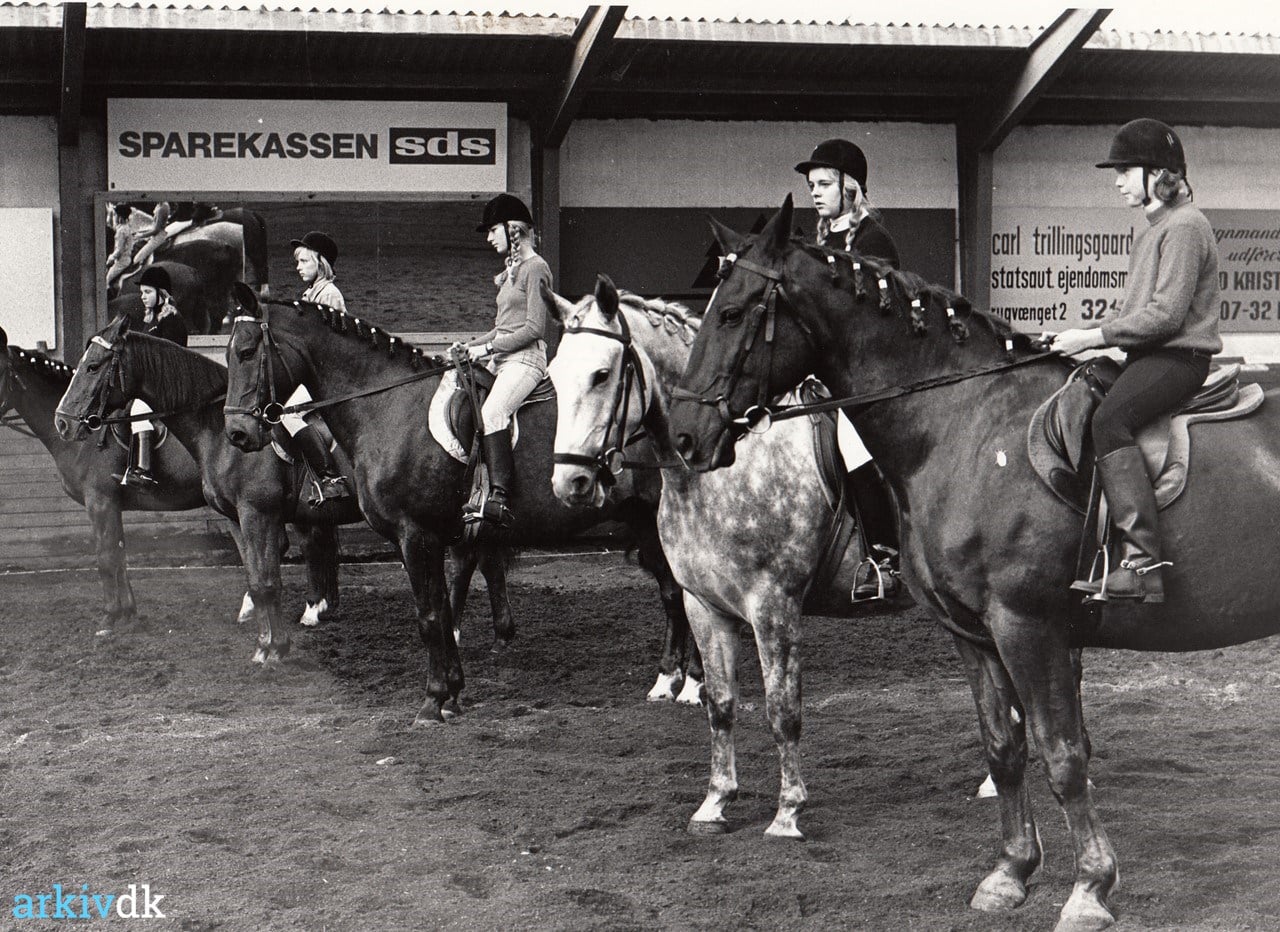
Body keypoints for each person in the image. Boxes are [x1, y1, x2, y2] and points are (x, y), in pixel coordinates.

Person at [1050, 119, 1221, 603]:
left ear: (1157, 174)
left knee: (1110, 421)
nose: (1118, 181)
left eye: (1125, 170)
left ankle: (1143, 563)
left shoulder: (1187, 225)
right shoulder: (1153, 231)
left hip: (1179, 358)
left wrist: (1093, 335)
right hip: (1151, 355)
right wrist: (1074, 338)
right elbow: (1133, 314)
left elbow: (1165, 317)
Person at [795, 138, 901, 600]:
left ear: (851, 188)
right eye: (811, 185)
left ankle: (885, 557)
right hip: (828, 369)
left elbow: (871, 315)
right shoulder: (817, 237)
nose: (814, 192)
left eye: (823, 184)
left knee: (850, 439)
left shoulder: (875, 240)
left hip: (871, 366)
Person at [454, 193, 552, 533]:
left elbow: (534, 328)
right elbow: (502, 327)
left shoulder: (536, 268)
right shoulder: (512, 271)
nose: (488, 237)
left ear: (512, 230)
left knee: (493, 412)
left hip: (526, 359)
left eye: (492, 229)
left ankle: (499, 496)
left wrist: (487, 349)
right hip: (503, 358)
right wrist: (471, 346)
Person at [282, 230, 353, 504]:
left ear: (320, 262)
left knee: (288, 415)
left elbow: (330, 345)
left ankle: (330, 478)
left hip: (327, 377)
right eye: (297, 262)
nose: (298, 267)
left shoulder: (330, 295)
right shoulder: (311, 293)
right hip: (310, 375)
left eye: (304, 261)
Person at [114, 265, 188, 489]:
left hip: (170, 382)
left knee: (139, 409)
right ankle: (130, 466)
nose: (143, 296)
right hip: (152, 383)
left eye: (148, 292)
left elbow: (169, 359)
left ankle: (145, 470)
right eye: (142, 292)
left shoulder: (171, 321)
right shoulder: (151, 321)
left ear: (161, 294)